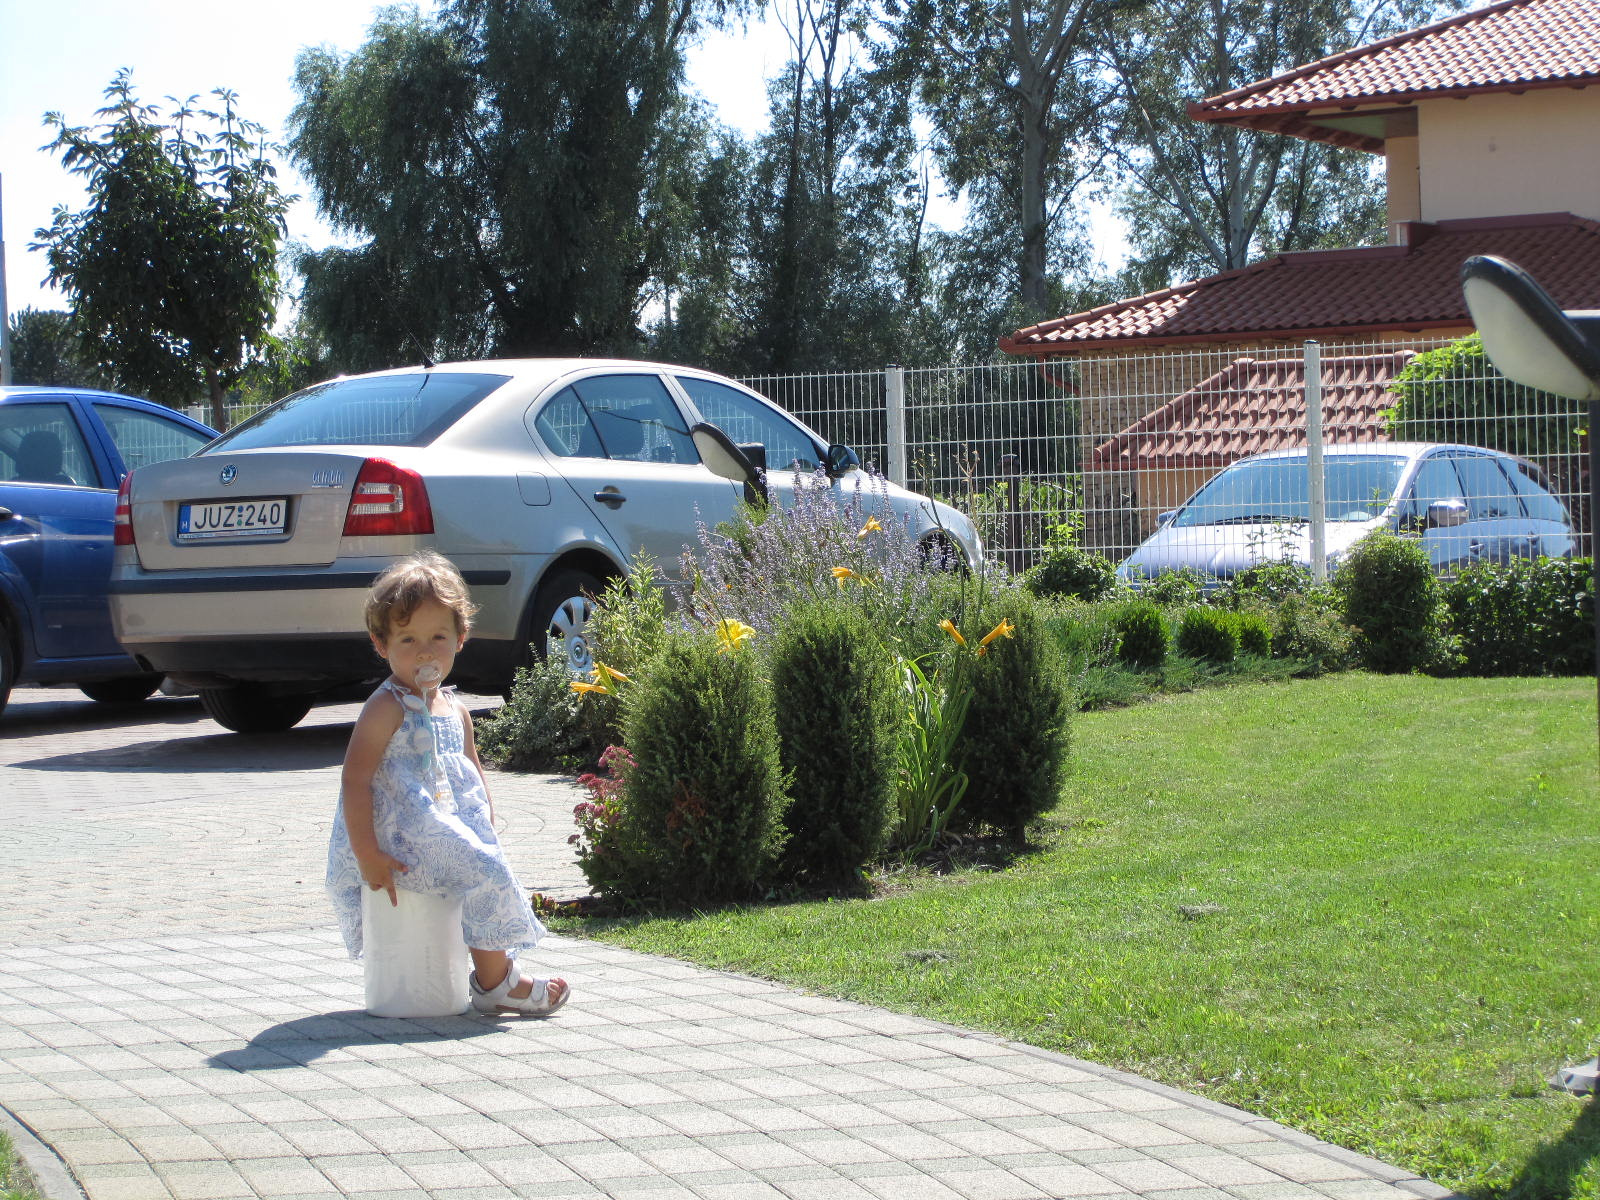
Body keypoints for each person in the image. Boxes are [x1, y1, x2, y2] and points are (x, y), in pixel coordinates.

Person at [326, 551, 569, 1016]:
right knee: (486, 872)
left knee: (484, 865)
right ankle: (498, 983)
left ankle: (494, 971)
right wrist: (366, 853)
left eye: (438, 637)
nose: (424, 652)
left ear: (461, 639)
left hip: (443, 829)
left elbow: (471, 770)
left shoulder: (454, 709)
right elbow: (355, 780)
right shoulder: (387, 707)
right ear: (381, 644)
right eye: (408, 639)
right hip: (400, 835)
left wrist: (487, 820)